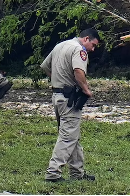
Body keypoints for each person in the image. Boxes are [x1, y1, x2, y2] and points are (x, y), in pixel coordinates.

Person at [41, 28, 101, 183]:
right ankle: (53, 173)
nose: (93, 49)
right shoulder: (79, 50)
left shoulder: (60, 45)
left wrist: (57, 79)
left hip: (57, 95)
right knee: (67, 137)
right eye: (93, 45)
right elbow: (79, 71)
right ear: (86, 39)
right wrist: (86, 89)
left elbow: (45, 66)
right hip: (69, 98)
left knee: (72, 135)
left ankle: (77, 172)